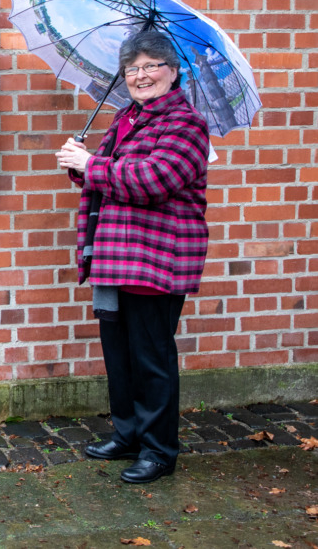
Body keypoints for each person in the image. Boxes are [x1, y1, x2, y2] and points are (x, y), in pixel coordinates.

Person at [55, 30, 209, 484]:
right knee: (119, 353)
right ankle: (128, 435)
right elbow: (108, 176)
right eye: (132, 68)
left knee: (151, 356)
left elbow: (154, 178)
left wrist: (92, 167)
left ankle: (159, 451)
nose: (140, 75)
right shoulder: (127, 117)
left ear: (172, 70)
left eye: (150, 66)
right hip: (115, 252)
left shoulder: (185, 123)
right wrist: (80, 163)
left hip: (156, 256)